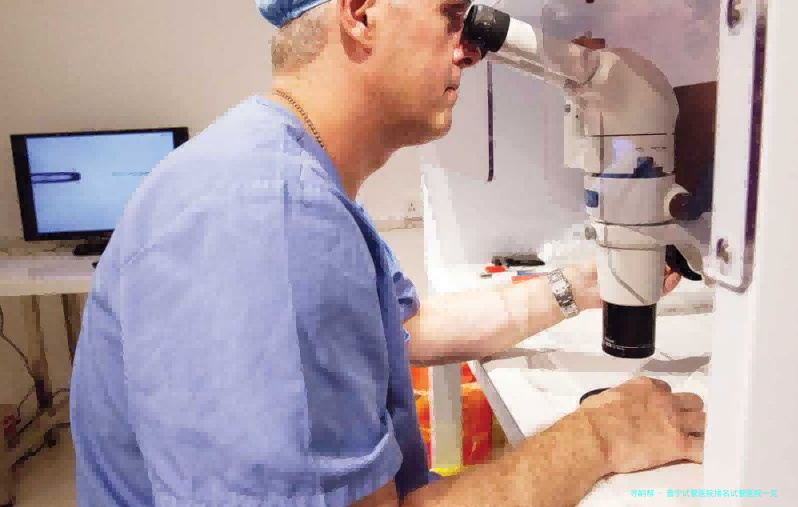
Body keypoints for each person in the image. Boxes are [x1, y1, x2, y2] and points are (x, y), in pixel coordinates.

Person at [68, 0, 704, 506]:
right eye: (450, 15)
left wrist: (579, 286)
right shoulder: (273, 215)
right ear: (362, 12)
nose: (470, 49)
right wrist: (599, 437)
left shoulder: (281, 170)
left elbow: (407, 330)